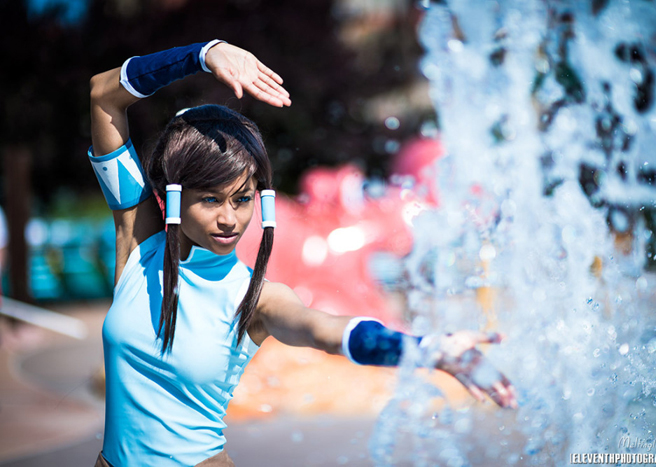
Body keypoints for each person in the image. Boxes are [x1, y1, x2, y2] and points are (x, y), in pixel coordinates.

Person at [89, 40, 517, 467]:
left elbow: (325, 331)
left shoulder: (254, 298)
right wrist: (202, 55)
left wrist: (423, 349)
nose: (230, 220)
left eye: (242, 199)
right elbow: (104, 96)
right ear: (174, 197)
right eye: (210, 200)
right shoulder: (139, 243)